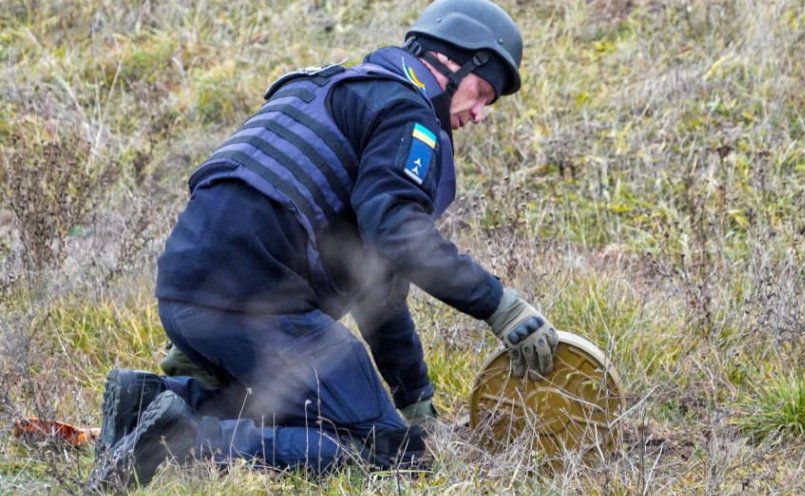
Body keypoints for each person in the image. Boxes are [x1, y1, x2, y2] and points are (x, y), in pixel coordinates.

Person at [89, 0, 558, 489]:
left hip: (183, 290)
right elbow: (397, 232)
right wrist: (501, 307)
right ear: (447, 62)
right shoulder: (407, 112)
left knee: (282, 408)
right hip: (259, 300)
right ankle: (177, 442)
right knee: (387, 451)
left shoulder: (327, 87)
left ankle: (144, 402)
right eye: (482, 92)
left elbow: (375, 283)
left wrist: (413, 396)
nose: (480, 113)